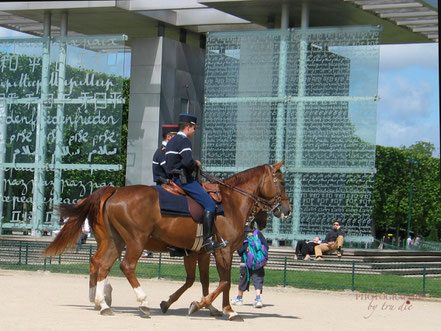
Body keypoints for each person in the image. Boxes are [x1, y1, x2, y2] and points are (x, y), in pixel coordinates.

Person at [165, 113, 226, 254]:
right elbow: (187, 162)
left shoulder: (172, 141)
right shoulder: (184, 141)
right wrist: (195, 163)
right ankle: (208, 240)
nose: (194, 131)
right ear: (188, 127)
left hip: (173, 179)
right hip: (183, 180)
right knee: (210, 204)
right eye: (193, 128)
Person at [231, 225, 268, 308]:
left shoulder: (242, 235)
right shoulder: (258, 233)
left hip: (245, 261)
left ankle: (239, 298)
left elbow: (240, 250)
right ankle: (258, 299)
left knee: (243, 278)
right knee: (258, 279)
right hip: (258, 262)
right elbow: (266, 246)